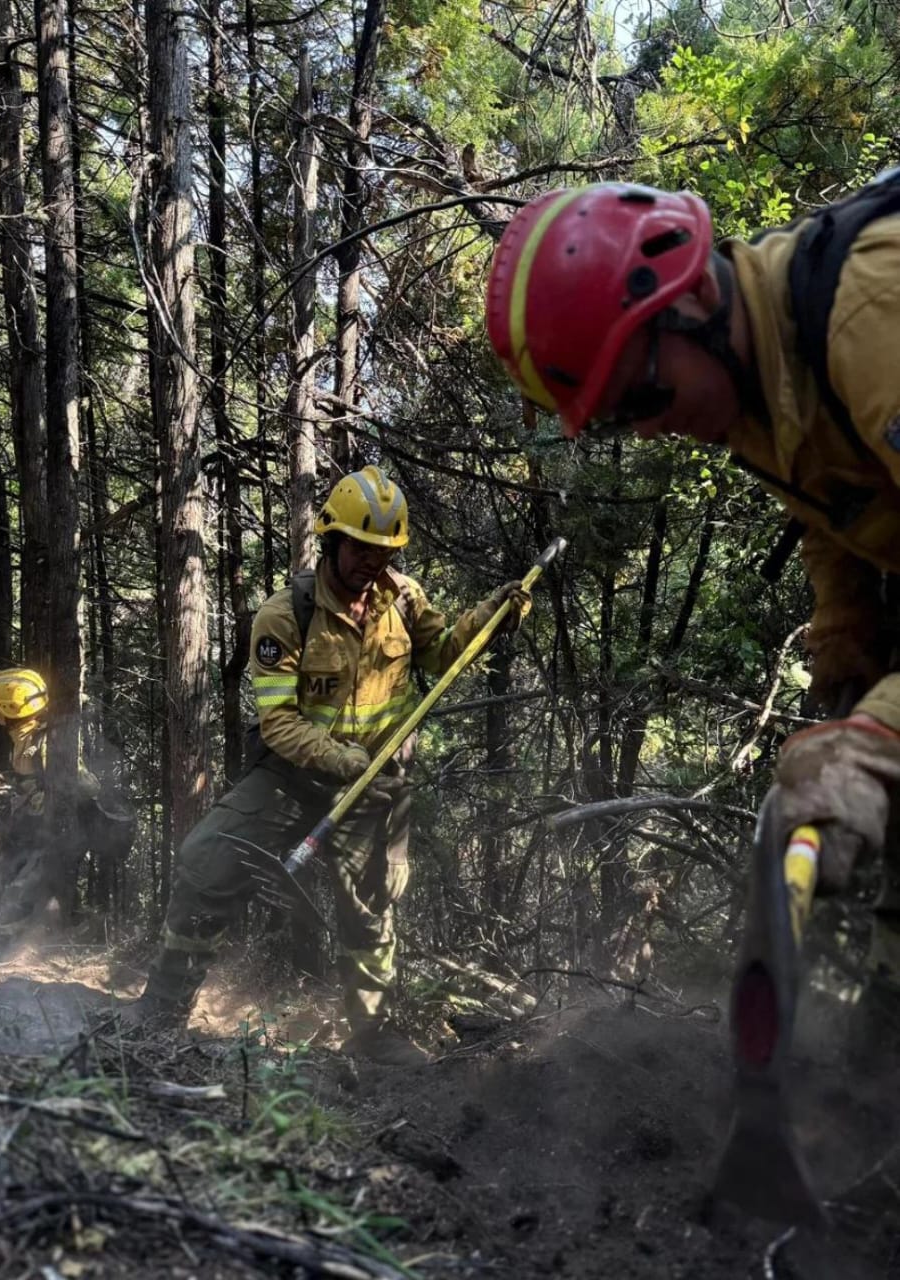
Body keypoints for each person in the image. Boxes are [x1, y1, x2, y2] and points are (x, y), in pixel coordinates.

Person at [484, 177, 900, 1005]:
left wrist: (876, 738)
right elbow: (834, 501)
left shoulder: (868, 319)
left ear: (696, 292)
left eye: (639, 393)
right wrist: (846, 635)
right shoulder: (756, 379)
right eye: (612, 417)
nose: (642, 427)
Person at [124, 465, 530, 1064]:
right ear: (332, 541)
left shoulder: (404, 599)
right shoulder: (285, 616)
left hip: (378, 784)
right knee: (205, 859)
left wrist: (489, 619)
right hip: (294, 775)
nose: (374, 562)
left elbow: (445, 653)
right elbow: (280, 722)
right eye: (363, 548)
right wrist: (338, 758)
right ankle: (159, 1012)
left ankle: (375, 1037)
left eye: (386, 550)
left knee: (370, 907)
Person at [0, 667, 135, 939]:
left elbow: (85, 785)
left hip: (58, 836)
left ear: (9, 712)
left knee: (16, 904)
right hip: (35, 833)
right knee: (10, 887)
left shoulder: (45, 743)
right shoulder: (22, 741)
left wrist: (46, 798)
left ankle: (24, 955)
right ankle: (66, 935)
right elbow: (29, 777)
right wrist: (1, 785)